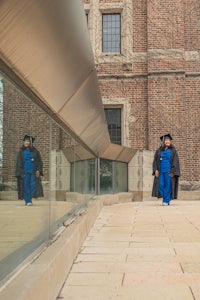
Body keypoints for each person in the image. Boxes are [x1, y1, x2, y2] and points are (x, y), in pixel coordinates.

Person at [152, 134, 180, 205]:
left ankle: (166, 201)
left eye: (169, 140)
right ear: (163, 141)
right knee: (160, 185)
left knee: (168, 185)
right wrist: (156, 170)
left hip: (169, 171)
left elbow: (175, 161)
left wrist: (173, 171)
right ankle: (167, 198)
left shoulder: (173, 151)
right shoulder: (159, 151)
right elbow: (155, 160)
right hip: (161, 170)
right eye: (166, 140)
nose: (167, 141)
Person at [16, 135, 44, 205]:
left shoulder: (35, 151)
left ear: (31, 142)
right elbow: (19, 162)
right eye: (25, 141)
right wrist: (21, 172)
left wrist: (38, 170)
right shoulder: (21, 152)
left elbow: (39, 161)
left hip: (33, 171)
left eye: (27, 141)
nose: (26, 142)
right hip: (25, 172)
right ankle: (28, 201)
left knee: (33, 185)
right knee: (26, 186)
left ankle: (30, 198)